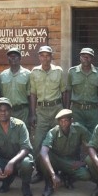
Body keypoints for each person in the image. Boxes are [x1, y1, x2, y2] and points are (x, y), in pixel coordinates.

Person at [0, 97, 34, 196]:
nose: (3, 113)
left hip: (19, 160)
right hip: (3, 160)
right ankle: (7, 180)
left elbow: (26, 147)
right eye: (0, 110)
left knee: (27, 163)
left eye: (6, 110)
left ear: (10, 112)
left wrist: (12, 163)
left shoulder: (20, 125)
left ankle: (25, 186)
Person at [29, 45, 66, 184]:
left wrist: (65, 112)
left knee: (58, 142)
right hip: (42, 111)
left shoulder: (58, 71)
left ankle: (59, 172)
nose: (45, 58)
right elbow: (32, 94)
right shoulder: (34, 72)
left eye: (48, 55)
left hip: (56, 109)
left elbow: (64, 91)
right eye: (42, 55)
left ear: (51, 57)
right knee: (38, 143)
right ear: (39, 57)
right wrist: (33, 114)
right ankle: (39, 171)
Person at [40, 109, 91, 196]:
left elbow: (92, 145)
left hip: (71, 162)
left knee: (85, 175)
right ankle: (49, 184)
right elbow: (43, 152)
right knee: (43, 158)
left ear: (71, 121)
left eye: (66, 121)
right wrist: (53, 174)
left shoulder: (79, 129)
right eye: (61, 121)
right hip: (56, 160)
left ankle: (66, 177)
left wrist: (83, 162)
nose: (63, 124)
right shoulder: (53, 132)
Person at [66, 48, 98, 133]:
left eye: (88, 57)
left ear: (92, 58)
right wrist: (67, 111)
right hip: (77, 110)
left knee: (94, 136)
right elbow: (68, 92)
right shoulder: (72, 72)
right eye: (83, 56)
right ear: (80, 57)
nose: (86, 58)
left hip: (93, 111)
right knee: (77, 136)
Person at [0, 47, 30, 127]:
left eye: (15, 56)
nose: (12, 58)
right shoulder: (2, 75)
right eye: (10, 56)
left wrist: (32, 113)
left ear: (20, 58)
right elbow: (0, 95)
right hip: (7, 112)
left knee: (22, 136)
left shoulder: (27, 74)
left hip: (23, 112)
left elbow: (31, 95)